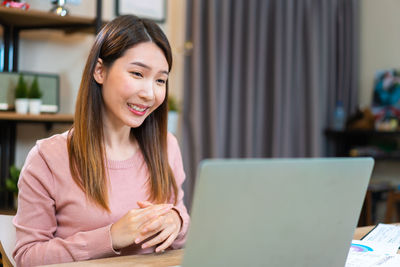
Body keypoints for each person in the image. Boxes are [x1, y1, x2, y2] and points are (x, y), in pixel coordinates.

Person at [13, 15, 189, 266]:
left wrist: (177, 221)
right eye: (137, 73)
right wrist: (111, 237)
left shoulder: (166, 146)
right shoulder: (48, 158)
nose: (149, 93)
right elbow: (27, 257)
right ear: (99, 71)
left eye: (160, 80)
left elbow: (181, 229)